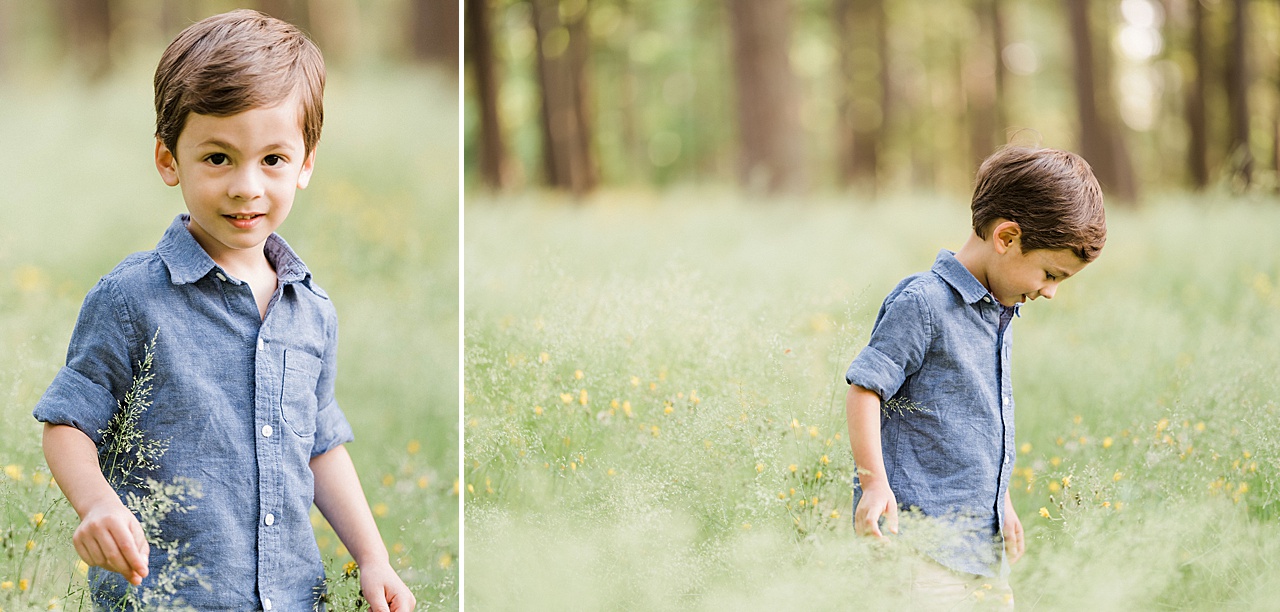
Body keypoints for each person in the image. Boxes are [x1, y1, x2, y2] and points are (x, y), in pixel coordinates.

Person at [34, 10, 415, 611]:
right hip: (167, 597)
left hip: (290, 598)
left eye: (273, 160)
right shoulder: (132, 299)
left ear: (306, 163)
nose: (246, 186)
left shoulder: (310, 309)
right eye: (217, 158)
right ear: (168, 160)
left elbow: (321, 444)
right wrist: (98, 503)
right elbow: (67, 423)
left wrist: (372, 557)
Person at [844, 145, 1106, 608]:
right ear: (1006, 237)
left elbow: (972, 427)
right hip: (918, 548)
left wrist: (998, 503)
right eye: (1050, 273)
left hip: (979, 552)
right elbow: (866, 388)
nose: (1050, 292)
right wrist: (873, 484)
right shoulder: (924, 303)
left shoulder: (998, 311)